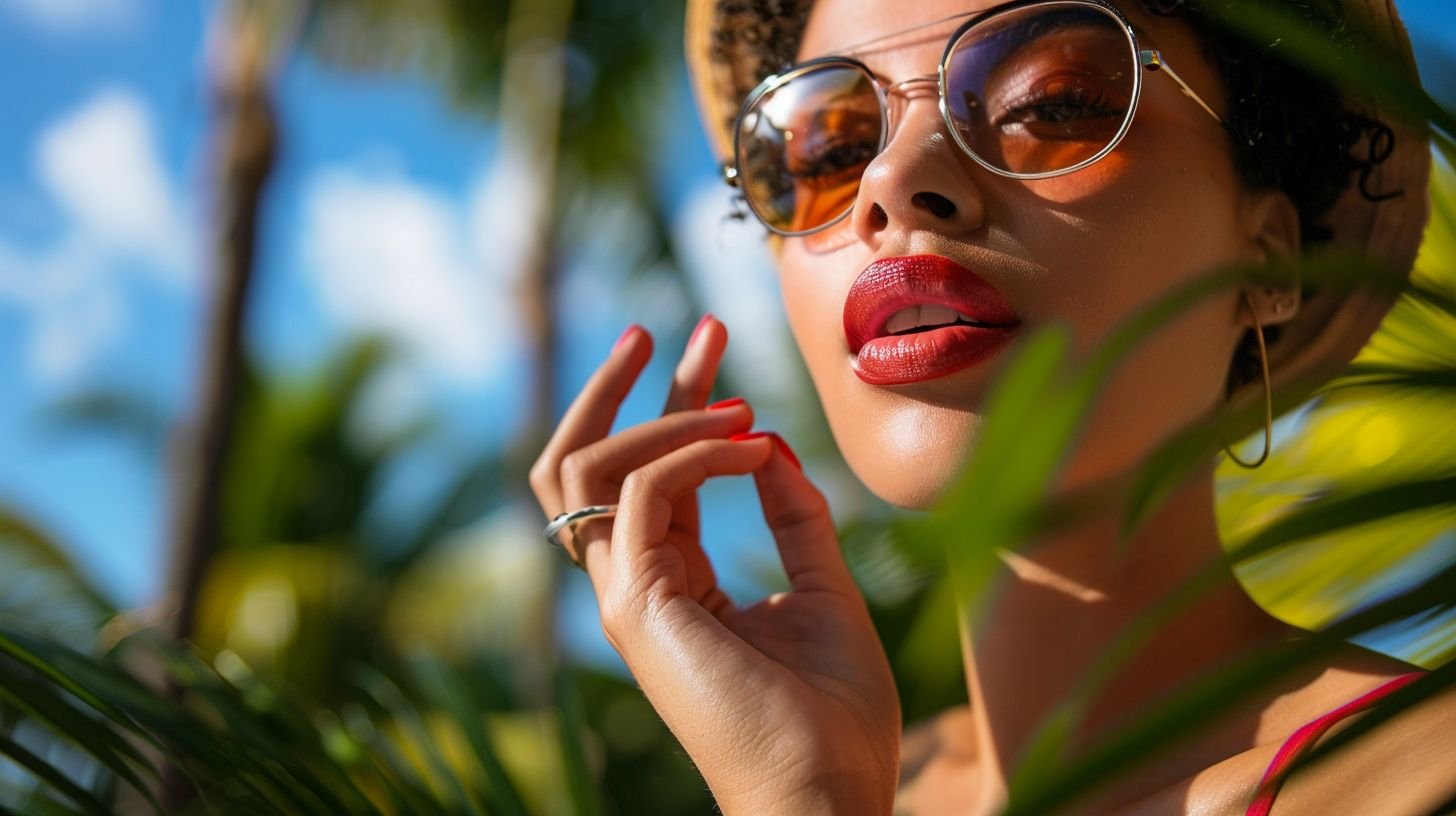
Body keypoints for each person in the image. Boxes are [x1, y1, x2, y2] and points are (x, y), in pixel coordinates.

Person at [531, 0, 1454, 812]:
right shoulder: (830, 767)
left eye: (1047, 106)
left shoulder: (1422, 777)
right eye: (831, 149)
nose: (891, 182)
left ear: (1268, 256)